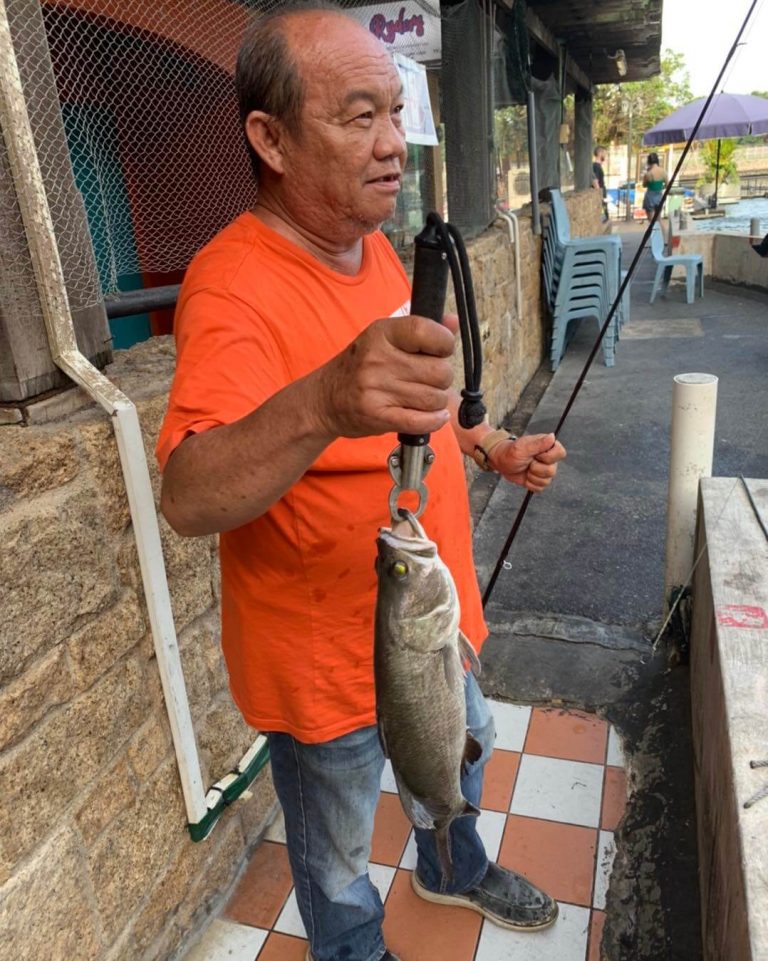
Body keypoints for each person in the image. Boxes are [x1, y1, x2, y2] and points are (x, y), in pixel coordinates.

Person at [157, 7, 567, 961]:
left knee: (461, 754)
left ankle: (453, 865)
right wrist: (325, 398)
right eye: (357, 117)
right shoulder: (230, 285)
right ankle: (354, 950)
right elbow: (186, 493)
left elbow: (414, 397)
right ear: (270, 138)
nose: (393, 145)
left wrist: (489, 442)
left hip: (431, 614)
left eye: (394, 111)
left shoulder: (373, 243)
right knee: (336, 853)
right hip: (325, 669)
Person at [642, 152, 667, 221]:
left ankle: (652, 231)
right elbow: (667, 185)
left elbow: (644, 185)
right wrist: (660, 187)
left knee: (651, 222)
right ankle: (662, 231)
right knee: (659, 219)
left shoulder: (648, 174)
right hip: (659, 196)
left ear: (649, 162)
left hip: (649, 197)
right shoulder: (663, 172)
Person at [592, 145, 609, 221]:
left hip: (602, 192)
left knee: (605, 217)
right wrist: (599, 194)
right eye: (604, 153)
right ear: (599, 153)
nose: (605, 156)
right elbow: (595, 180)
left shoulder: (598, 166)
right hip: (600, 193)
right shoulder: (596, 166)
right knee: (604, 218)